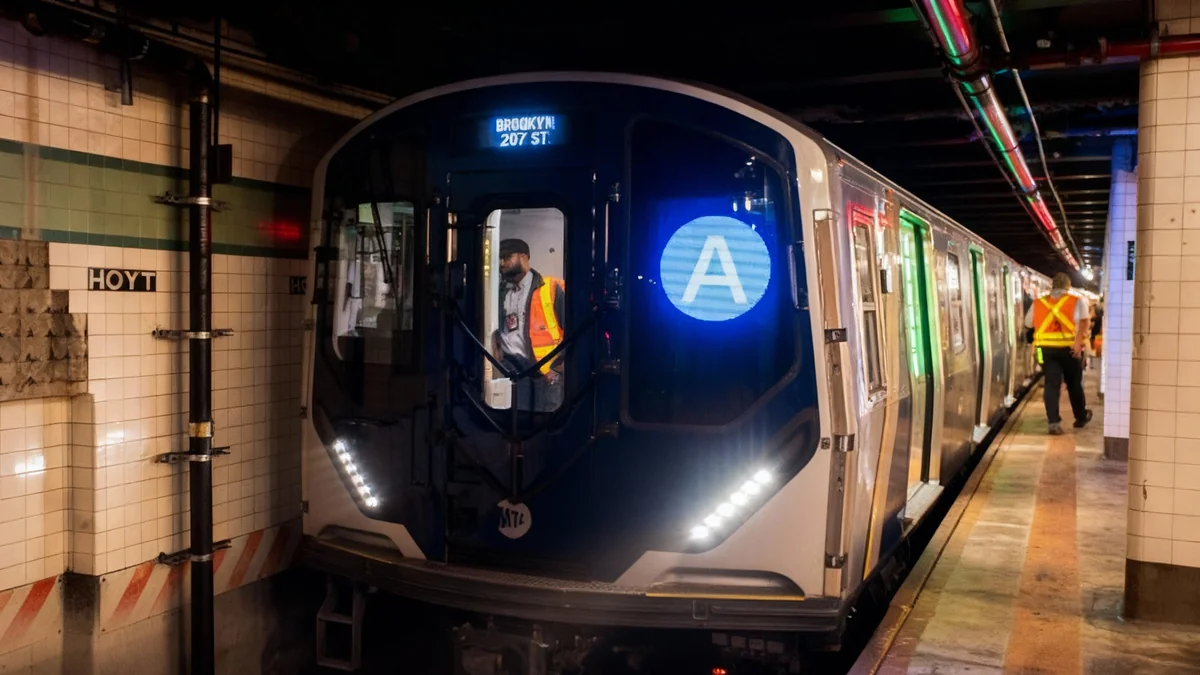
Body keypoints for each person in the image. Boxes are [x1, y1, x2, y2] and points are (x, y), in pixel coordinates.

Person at [491, 238, 566, 412]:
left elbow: (572, 327)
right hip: (515, 371)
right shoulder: (500, 292)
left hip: (548, 371)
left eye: (506, 257)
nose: (502, 263)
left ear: (523, 257)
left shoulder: (551, 287)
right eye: (499, 259)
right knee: (519, 418)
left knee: (548, 419)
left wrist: (561, 365)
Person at [1024, 272, 1092, 434]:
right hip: (1069, 349)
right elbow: (1084, 323)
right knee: (1074, 383)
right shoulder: (1076, 301)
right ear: (1068, 286)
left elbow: (1028, 323)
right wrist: (1078, 345)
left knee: (1051, 384)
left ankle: (1053, 423)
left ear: (1052, 286)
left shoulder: (1038, 303)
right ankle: (1080, 417)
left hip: (1044, 350)